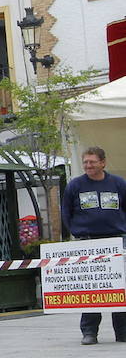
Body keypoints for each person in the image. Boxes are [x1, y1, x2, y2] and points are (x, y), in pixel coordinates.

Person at [62, 146, 126, 344]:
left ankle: (122, 332)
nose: (88, 166)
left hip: (117, 239)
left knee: (119, 287)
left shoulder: (118, 183)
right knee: (91, 288)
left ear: (103, 162)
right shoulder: (75, 185)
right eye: (86, 162)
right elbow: (66, 211)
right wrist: (76, 232)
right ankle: (89, 332)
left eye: (92, 162)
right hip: (88, 241)